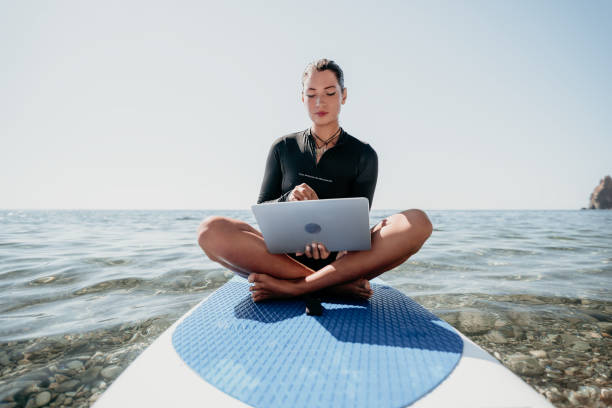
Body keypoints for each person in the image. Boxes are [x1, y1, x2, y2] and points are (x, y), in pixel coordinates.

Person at [198, 58, 433, 302]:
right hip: (283, 259)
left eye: (330, 93)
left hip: (342, 261)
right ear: (302, 98)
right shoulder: (283, 147)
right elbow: (263, 209)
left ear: (343, 95)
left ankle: (299, 287)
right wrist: (288, 199)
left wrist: (337, 246)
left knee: (417, 222)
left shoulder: (364, 154)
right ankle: (328, 286)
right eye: (311, 94)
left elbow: (358, 224)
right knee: (209, 231)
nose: (320, 102)